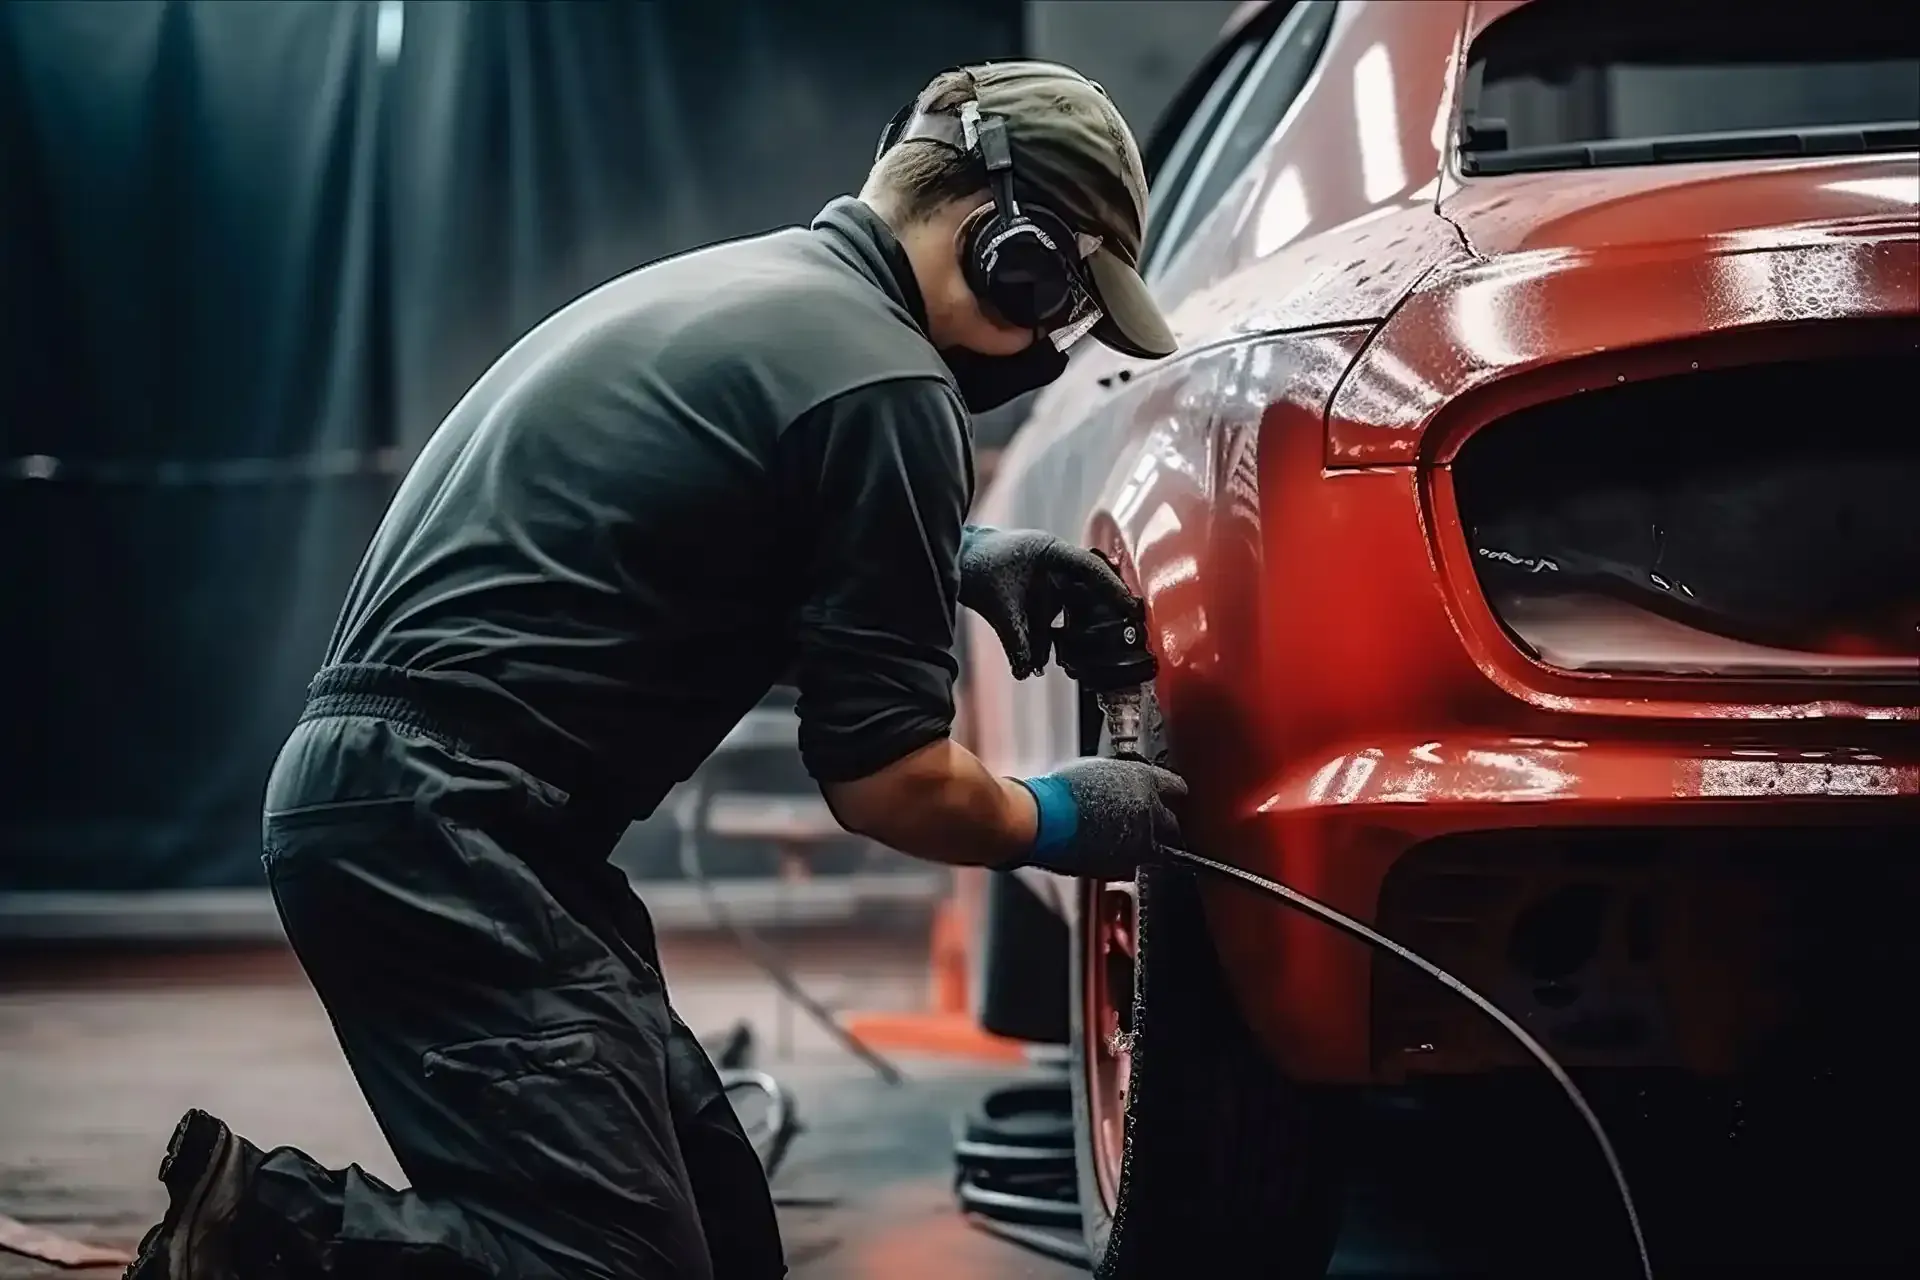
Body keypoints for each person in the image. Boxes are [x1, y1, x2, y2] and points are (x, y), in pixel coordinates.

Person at [126, 59, 1186, 1280]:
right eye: (1061, 303)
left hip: (432, 810)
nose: (1051, 344)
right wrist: (1062, 816)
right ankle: (249, 1238)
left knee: (724, 1238)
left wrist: (951, 552)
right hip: (443, 823)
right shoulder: (888, 385)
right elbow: (887, 782)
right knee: (616, 1264)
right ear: (1014, 248)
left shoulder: (758, 291)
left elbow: (672, 546)